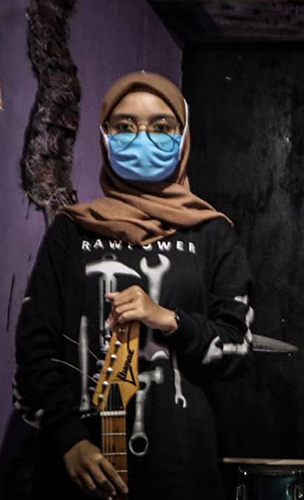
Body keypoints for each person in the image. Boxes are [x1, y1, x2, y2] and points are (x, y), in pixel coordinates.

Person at [14, 71, 253, 500]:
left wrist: (168, 319)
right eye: (125, 126)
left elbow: (237, 349)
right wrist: (69, 439)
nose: (142, 138)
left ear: (183, 136)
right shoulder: (71, 231)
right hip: (79, 470)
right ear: (105, 136)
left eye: (162, 126)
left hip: (182, 469)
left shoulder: (212, 234)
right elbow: (34, 346)